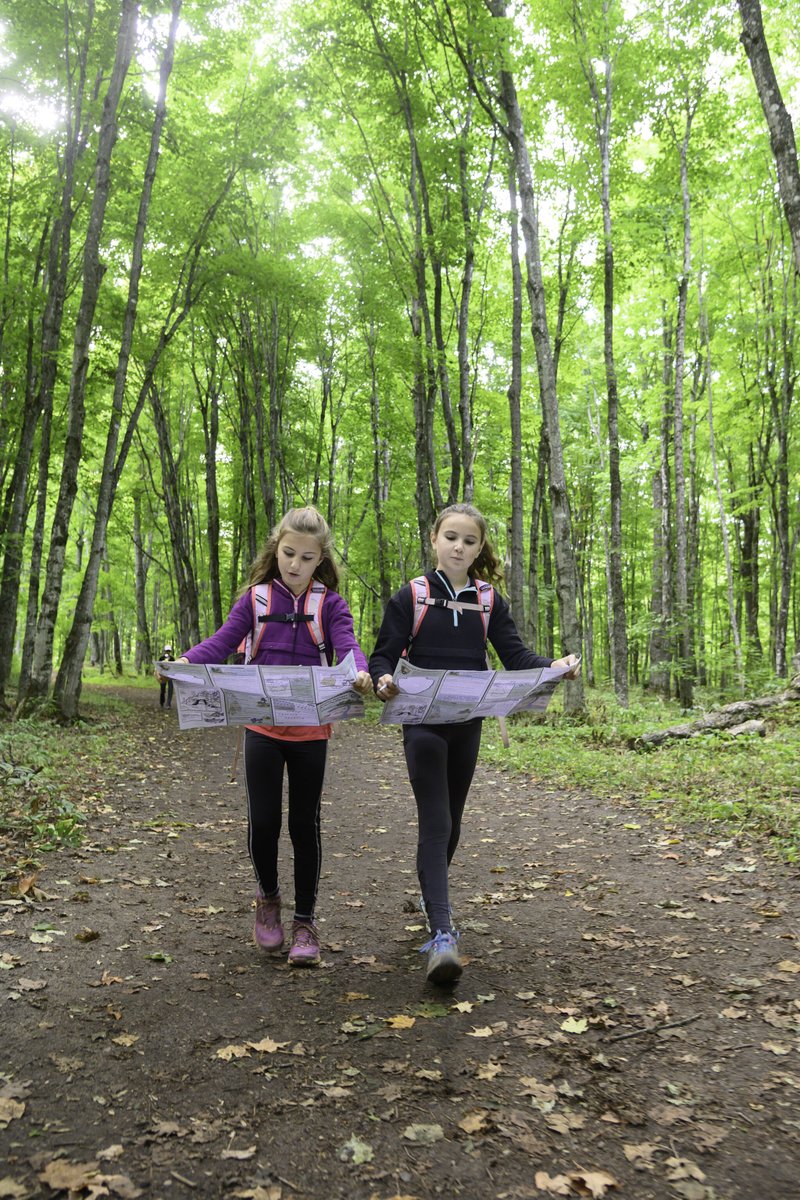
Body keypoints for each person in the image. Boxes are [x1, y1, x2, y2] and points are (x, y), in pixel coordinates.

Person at [369, 503, 580, 986]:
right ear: (434, 539)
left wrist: (555, 665)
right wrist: (383, 679)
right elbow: (384, 654)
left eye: (469, 540)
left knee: (454, 824)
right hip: (421, 721)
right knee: (437, 820)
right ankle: (443, 935)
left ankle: (430, 892)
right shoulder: (413, 596)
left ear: (479, 547)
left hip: (469, 722)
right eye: (451, 537)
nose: (459, 547)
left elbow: (515, 655)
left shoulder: (489, 601)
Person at [177, 506, 373, 967]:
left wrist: (360, 673)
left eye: (307, 558)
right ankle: (269, 899)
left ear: (320, 559)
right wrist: (187, 662)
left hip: (311, 732)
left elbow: (348, 648)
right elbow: (223, 642)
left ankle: (305, 921)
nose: (295, 565)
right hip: (261, 729)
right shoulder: (256, 599)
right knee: (263, 822)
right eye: (288, 554)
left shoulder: (331, 605)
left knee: (305, 826)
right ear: (276, 549)